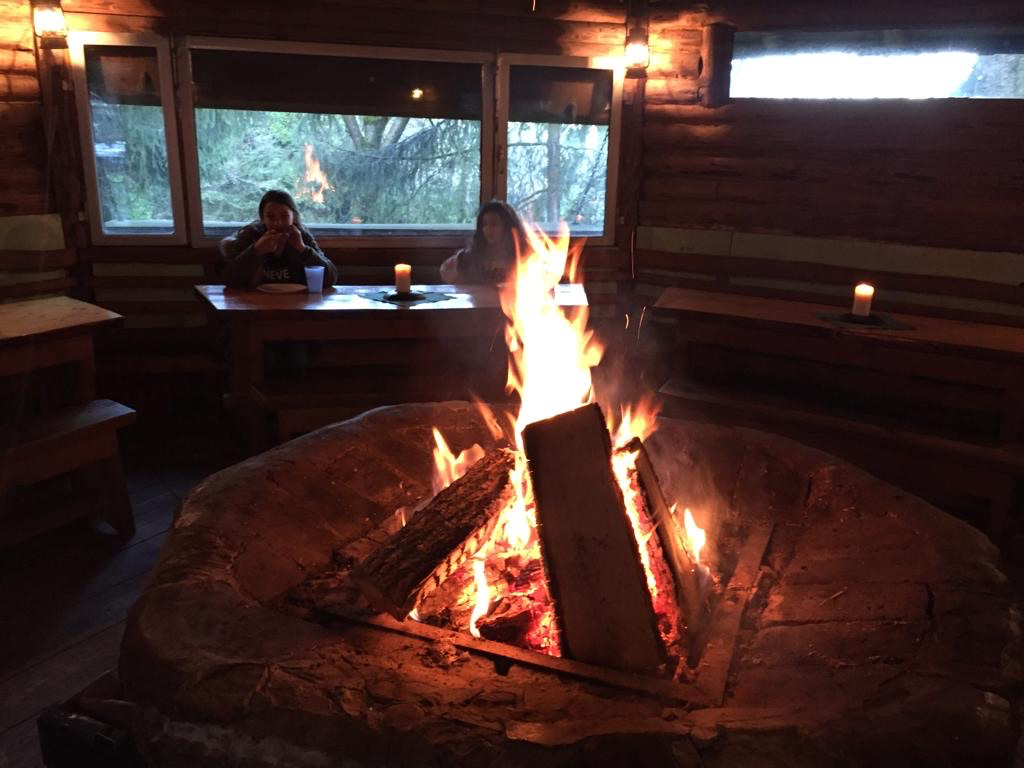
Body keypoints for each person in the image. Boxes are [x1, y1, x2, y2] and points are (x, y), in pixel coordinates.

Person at [220, 189, 337, 289]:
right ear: (262, 218)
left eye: (284, 216)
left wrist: (302, 249)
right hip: (257, 303)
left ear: (294, 217)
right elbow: (229, 280)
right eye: (270, 217)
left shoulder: (302, 236)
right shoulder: (252, 235)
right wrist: (256, 250)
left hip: (296, 303)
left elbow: (330, 279)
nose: (278, 223)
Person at [440, 200, 528, 285]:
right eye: (484, 224)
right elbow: (445, 271)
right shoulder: (469, 256)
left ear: (507, 227)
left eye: (494, 224)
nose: (488, 229)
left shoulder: (524, 257)